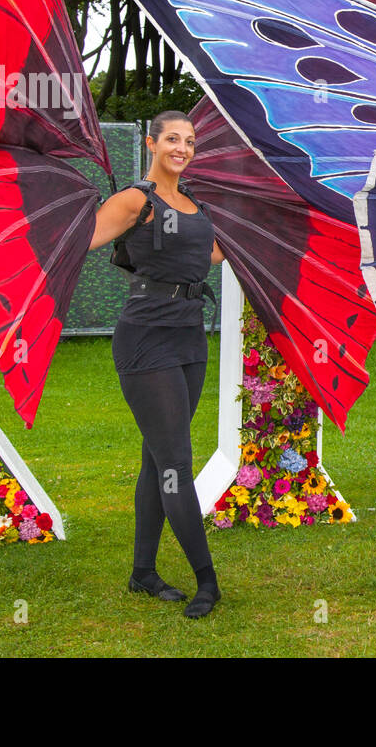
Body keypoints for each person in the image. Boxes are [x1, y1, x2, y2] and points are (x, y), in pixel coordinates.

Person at [88, 110, 226, 619]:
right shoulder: (133, 200)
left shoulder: (194, 204)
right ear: (151, 143)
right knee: (176, 464)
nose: (182, 148)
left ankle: (142, 572)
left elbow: (209, 255)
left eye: (189, 141)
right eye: (172, 139)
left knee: (157, 457)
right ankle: (207, 581)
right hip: (146, 340)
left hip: (190, 337)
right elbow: (81, 239)